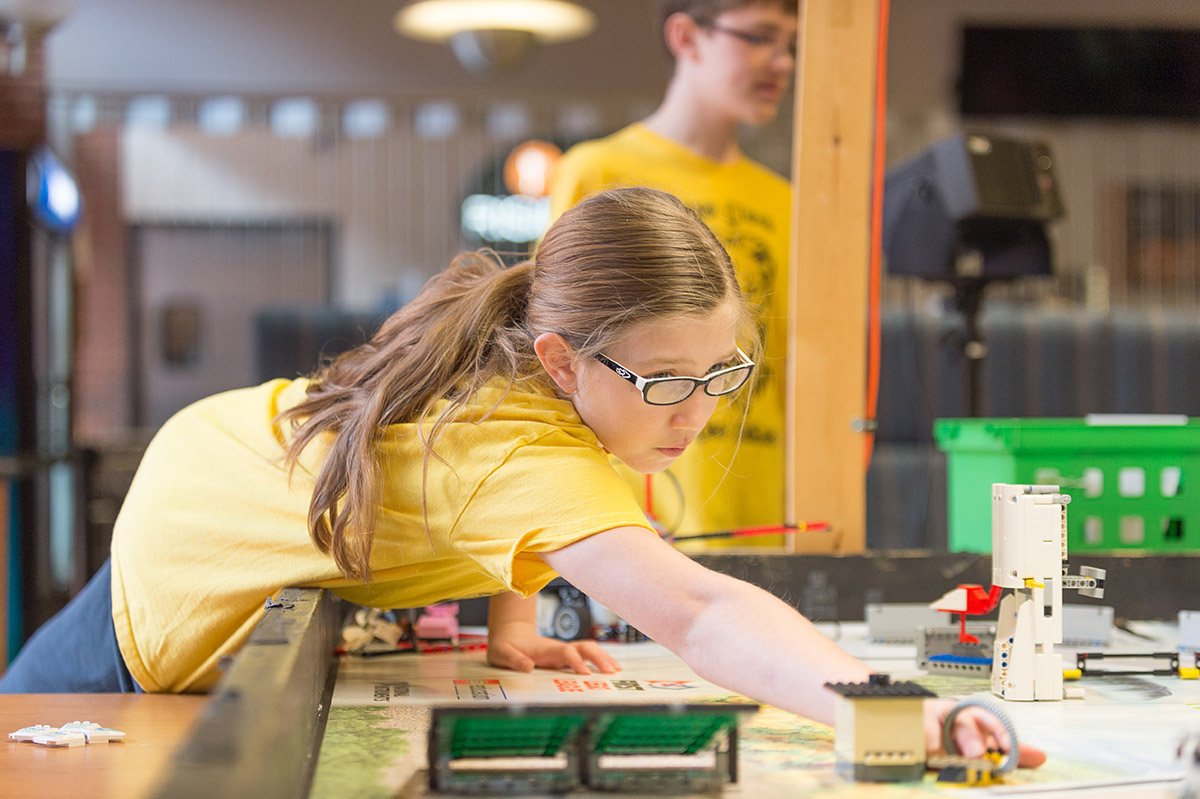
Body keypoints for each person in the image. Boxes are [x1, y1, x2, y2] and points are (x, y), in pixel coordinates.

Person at [0, 187, 1042, 769]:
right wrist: (892, 703)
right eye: (666, 378)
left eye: (722, 372)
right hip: (159, 595)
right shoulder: (524, 449)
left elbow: (506, 503)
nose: (696, 410)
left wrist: (511, 622)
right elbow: (699, 611)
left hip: (214, 466)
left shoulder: (526, 380)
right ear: (562, 362)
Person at [549, 0, 797, 543]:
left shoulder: (782, 200)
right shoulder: (597, 171)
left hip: (752, 493)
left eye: (789, 45)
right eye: (759, 37)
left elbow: (785, 362)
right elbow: (556, 355)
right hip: (624, 507)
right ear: (687, 36)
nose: (782, 63)